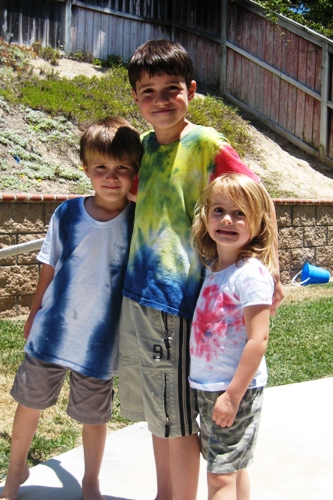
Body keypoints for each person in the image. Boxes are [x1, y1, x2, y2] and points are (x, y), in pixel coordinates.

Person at [118, 39, 284, 500]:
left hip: (181, 301)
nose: (160, 100)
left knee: (177, 418)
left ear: (190, 90)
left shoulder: (207, 142)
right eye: (147, 91)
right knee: (162, 412)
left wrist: (268, 267)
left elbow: (256, 199)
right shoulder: (145, 148)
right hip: (143, 296)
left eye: (171, 89)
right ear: (135, 98)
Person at [0, 116, 143, 500]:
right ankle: (16, 472)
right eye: (101, 168)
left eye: (122, 169)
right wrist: (33, 314)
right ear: (85, 169)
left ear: (135, 173)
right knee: (29, 404)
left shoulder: (138, 221)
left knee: (94, 418)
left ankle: (91, 481)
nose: (111, 177)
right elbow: (48, 268)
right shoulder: (67, 214)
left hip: (100, 341)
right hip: (53, 332)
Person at [189, 173, 277, 500]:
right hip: (209, 387)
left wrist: (233, 395)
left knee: (219, 476)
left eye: (240, 213)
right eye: (219, 210)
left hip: (233, 390)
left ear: (257, 222)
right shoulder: (212, 268)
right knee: (233, 467)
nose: (227, 219)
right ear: (206, 216)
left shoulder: (251, 274)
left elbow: (259, 339)